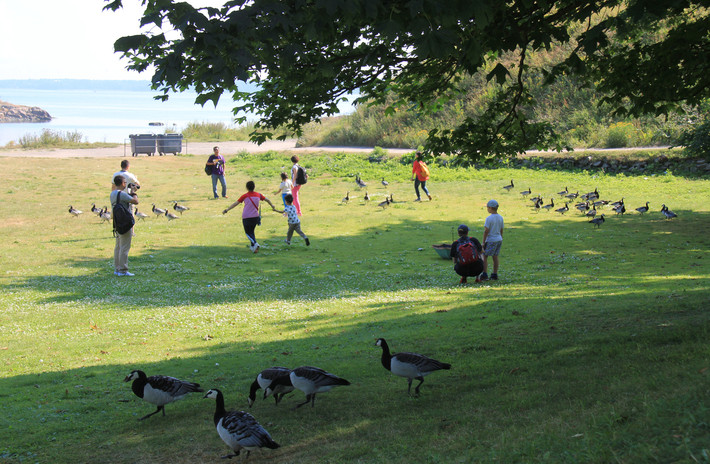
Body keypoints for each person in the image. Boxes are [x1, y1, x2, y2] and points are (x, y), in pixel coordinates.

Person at [223, 181, 277, 253]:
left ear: (247, 187)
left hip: (247, 217)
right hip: (255, 217)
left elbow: (236, 203)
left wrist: (227, 210)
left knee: (248, 233)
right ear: (254, 187)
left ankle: (255, 243)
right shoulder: (258, 195)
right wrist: (272, 205)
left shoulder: (245, 196)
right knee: (251, 232)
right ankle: (253, 248)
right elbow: (267, 199)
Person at [111, 175, 139, 276]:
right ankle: (123, 270)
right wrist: (133, 193)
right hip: (125, 222)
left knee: (118, 246)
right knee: (125, 247)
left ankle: (117, 268)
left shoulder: (112, 194)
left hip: (117, 222)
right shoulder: (121, 194)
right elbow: (135, 201)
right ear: (123, 183)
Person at [481, 199, 504, 281]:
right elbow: (501, 230)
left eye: (487, 207)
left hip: (491, 240)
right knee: (495, 256)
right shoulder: (501, 217)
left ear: (490, 208)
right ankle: (494, 274)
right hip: (499, 239)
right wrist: (500, 237)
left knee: (485, 256)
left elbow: (486, 231)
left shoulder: (489, 218)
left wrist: (483, 242)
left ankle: (485, 274)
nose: (487, 209)